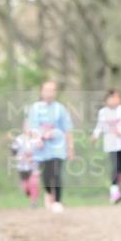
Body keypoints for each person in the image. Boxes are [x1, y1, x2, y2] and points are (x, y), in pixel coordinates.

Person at [27, 80, 74, 213]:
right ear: (41, 92)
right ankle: (48, 193)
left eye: (52, 90)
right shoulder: (35, 108)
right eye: (47, 90)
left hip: (58, 147)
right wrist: (38, 139)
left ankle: (58, 201)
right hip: (41, 149)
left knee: (57, 173)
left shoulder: (60, 108)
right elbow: (31, 128)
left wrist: (70, 147)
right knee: (46, 176)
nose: (49, 93)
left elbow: (67, 129)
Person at [92, 88, 121, 203]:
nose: (116, 100)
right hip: (111, 144)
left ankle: (116, 189)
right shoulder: (103, 112)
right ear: (107, 100)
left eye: (118, 97)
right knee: (115, 167)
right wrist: (95, 135)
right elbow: (99, 125)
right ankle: (114, 191)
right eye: (113, 97)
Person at [10, 122, 40, 207]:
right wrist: (18, 157)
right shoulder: (19, 139)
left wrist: (34, 156)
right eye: (27, 126)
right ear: (23, 128)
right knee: (26, 187)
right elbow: (13, 151)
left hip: (34, 165)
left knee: (34, 183)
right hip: (22, 166)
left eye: (30, 126)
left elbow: (41, 150)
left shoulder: (36, 139)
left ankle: (33, 202)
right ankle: (28, 193)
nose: (28, 129)